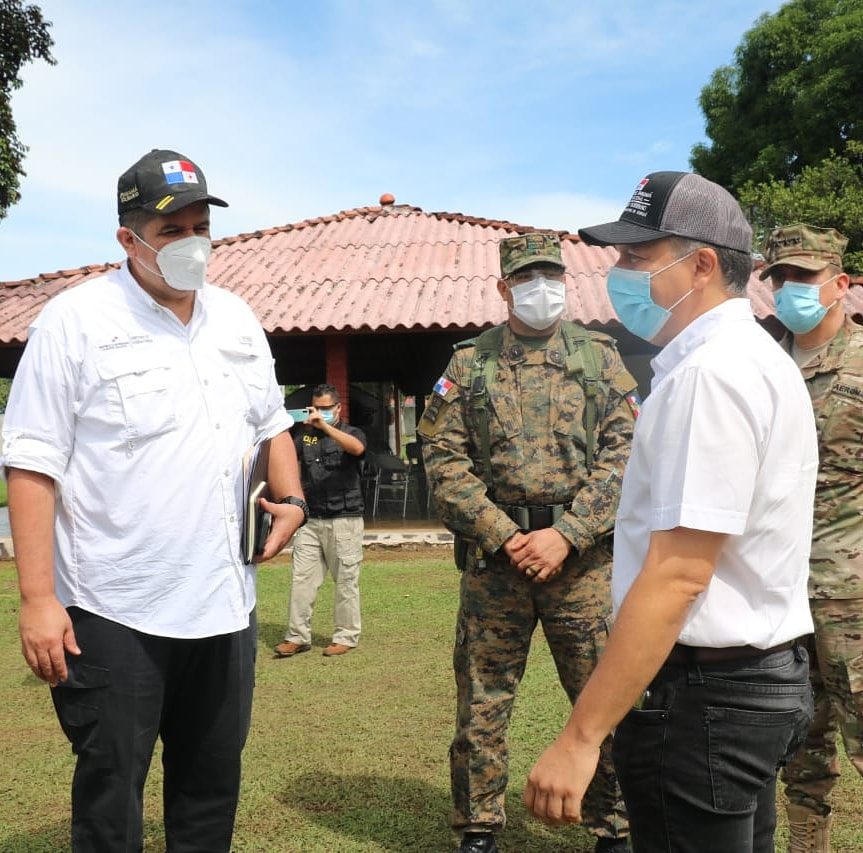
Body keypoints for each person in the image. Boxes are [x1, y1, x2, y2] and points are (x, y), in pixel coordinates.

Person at [1, 149, 309, 852]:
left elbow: (270, 424)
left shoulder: (235, 320)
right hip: (114, 609)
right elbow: (32, 463)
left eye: (201, 226)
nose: (192, 244)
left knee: (209, 788)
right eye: (172, 231)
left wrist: (290, 496)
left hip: (224, 605)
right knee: (112, 793)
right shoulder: (73, 322)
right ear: (127, 239)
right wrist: (38, 599)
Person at [523, 172, 818, 853]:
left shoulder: (707, 375)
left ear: (703, 263)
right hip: (754, 680)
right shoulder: (756, 358)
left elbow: (679, 573)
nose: (618, 274)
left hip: (704, 697)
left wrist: (580, 734)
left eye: (635, 257)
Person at [418, 232, 637, 853]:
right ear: (503, 288)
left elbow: (627, 453)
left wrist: (567, 534)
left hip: (583, 562)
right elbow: (441, 456)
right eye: (526, 278)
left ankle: (614, 829)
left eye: (551, 276)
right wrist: (504, 534)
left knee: (602, 697)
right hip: (498, 564)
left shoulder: (599, 357)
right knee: (482, 704)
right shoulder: (470, 363)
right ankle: (479, 827)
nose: (541, 289)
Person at [758, 224, 863, 852]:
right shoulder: (760, 360)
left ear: (841, 284)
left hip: (852, 594)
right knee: (799, 742)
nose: (791, 288)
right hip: (777, 590)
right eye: (781, 278)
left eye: (805, 276)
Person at [274, 383, 366, 658]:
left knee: (346, 582)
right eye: (317, 408)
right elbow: (286, 461)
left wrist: (325, 426)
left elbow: (357, 449)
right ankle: (297, 637)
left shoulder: (351, 432)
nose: (321, 413)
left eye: (327, 409)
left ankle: (346, 636)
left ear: (338, 408)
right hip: (311, 520)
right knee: (301, 580)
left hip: (344, 520)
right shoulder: (304, 436)